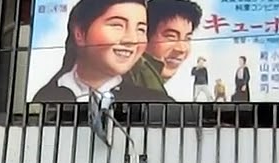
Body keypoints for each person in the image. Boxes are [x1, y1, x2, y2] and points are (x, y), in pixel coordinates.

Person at [32, 0, 173, 103]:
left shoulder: (157, 103)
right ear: (80, 34)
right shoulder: (44, 99)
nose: (132, 40)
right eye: (117, 25)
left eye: (141, 29)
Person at [128, 0, 202, 96]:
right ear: (144, 36)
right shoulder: (136, 79)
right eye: (171, 36)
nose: (181, 49)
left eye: (187, 38)